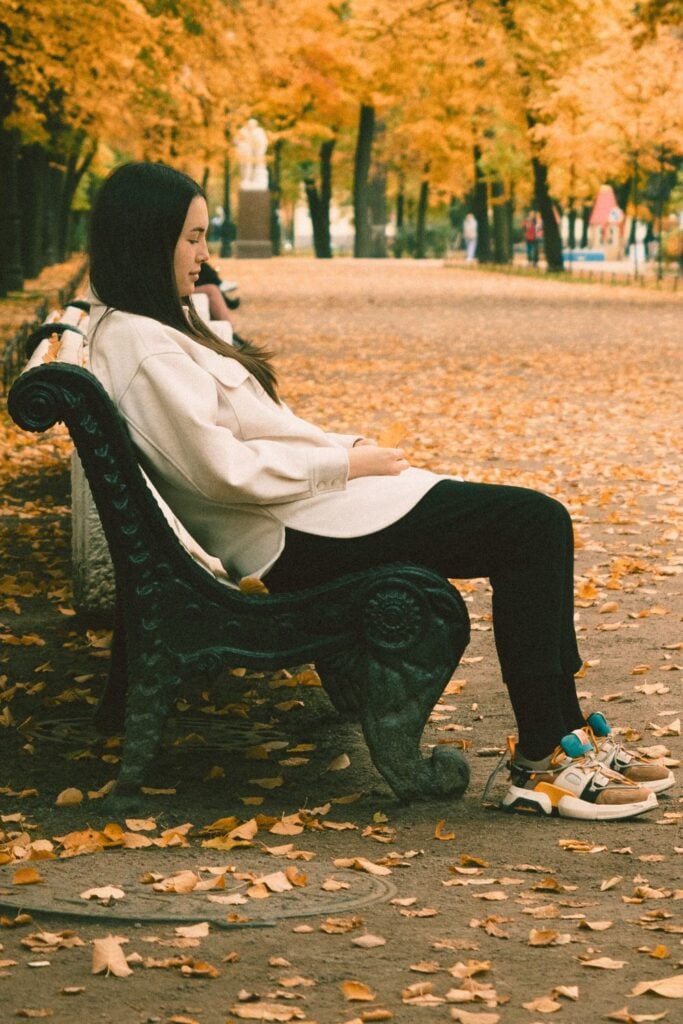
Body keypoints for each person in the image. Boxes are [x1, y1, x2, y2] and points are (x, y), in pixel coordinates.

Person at [87, 162, 675, 821]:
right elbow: (221, 471)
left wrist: (347, 449)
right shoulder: (144, 345)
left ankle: (563, 736)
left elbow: (253, 436)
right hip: (298, 536)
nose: (204, 256)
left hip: (311, 518)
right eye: (192, 238)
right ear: (147, 238)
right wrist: (345, 466)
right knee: (533, 524)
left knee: (534, 522)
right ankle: (546, 752)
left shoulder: (148, 330)